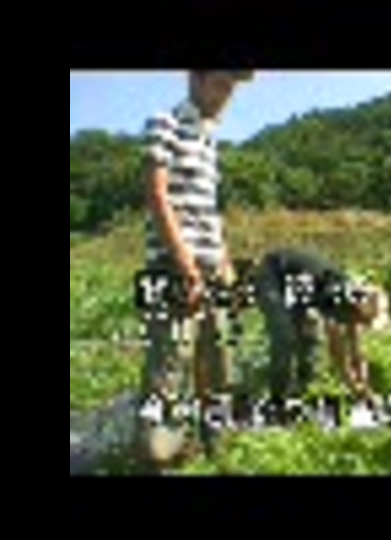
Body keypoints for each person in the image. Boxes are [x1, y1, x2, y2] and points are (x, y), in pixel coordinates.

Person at [135, 70, 254, 470]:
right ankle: (158, 457)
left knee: (218, 361)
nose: (226, 97)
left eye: (232, 90)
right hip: (173, 267)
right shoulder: (164, 123)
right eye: (220, 85)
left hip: (211, 268)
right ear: (196, 79)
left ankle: (213, 447)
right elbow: (157, 194)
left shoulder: (208, 139)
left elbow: (209, 211)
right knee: (169, 366)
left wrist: (225, 262)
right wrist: (186, 265)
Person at [251, 248, 391, 405]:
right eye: (366, 321)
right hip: (273, 274)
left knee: (309, 340)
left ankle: (299, 391)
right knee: (284, 337)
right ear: (358, 311)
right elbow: (338, 355)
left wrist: (365, 384)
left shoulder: (352, 303)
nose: (364, 325)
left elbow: (356, 351)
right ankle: (276, 399)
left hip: (299, 290)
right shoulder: (337, 301)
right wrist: (355, 388)